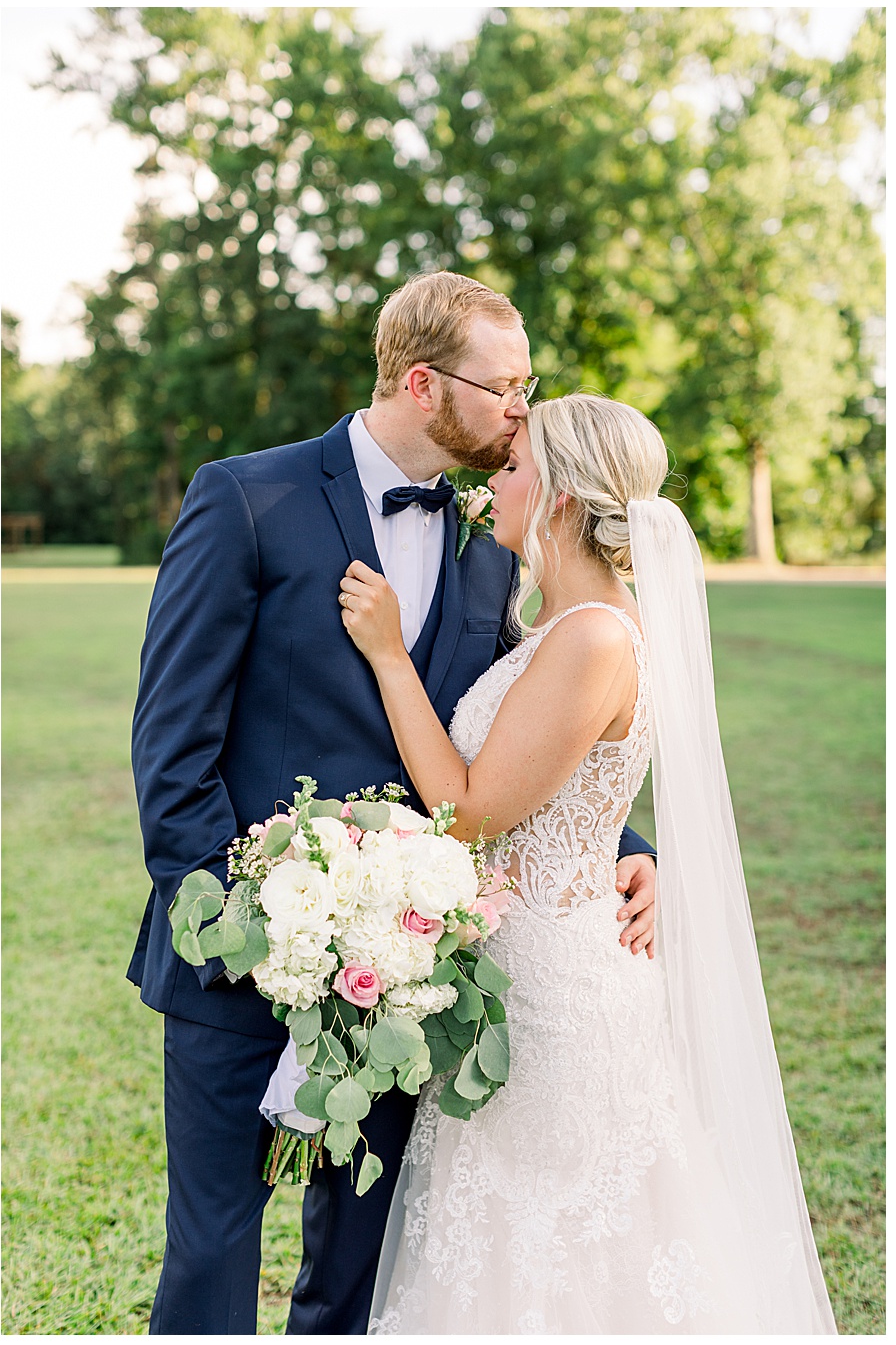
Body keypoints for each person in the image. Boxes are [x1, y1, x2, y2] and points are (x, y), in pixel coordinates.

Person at [129, 271, 658, 1333]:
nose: (522, 408)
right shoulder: (247, 497)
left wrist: (625, 843)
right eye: (503, 385)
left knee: (365, 1267)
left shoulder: (485, 552)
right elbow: (170, 746)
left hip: (412, 966)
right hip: (244, 958)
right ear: (424, 382)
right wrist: (246, 928)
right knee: (214, 1253)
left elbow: (534, 728)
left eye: (528, 386)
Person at [344, 394, 834, 1332]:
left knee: (562, 1260)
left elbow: (472, 810)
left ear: (561, 495)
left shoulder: (597, 636)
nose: (497, 478)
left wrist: (388, 655)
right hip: (521, 979)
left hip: (556, 1003)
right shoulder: (564, 624)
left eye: (516, 463)